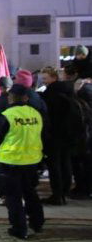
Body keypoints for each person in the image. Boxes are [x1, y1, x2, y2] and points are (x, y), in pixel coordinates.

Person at [0, 84, 44, 239]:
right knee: (30, 193)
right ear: (26, 98)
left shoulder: (6, 115)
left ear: (10, 97)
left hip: (10, 161)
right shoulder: (36, 114)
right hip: (31, 160)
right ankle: (37, 223)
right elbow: (43, 134)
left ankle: (19, 229)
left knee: (13, 197)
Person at [39, 67, 83, 206]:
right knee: (66, 163)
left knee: (55, 165)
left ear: (53, 78)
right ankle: (64, 192)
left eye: (45, 78)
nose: (44, 81)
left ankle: (57, 194)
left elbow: (48, 116)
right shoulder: (70, 91)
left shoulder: (51, 94)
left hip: (55, 135)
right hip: (70, 135)